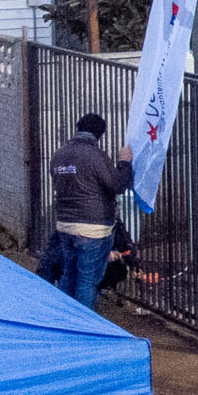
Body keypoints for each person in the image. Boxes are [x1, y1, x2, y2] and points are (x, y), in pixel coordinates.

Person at [47, 112, 134, 309]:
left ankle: (63, 316)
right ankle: (83, 320)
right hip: (93, 228)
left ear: (78, 128)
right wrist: (124, 163)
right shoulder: (95, 155)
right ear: (100, 134)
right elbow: (117, 185)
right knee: (87, 279)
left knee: (69, 274)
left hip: (64, 224)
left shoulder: (59, 154)